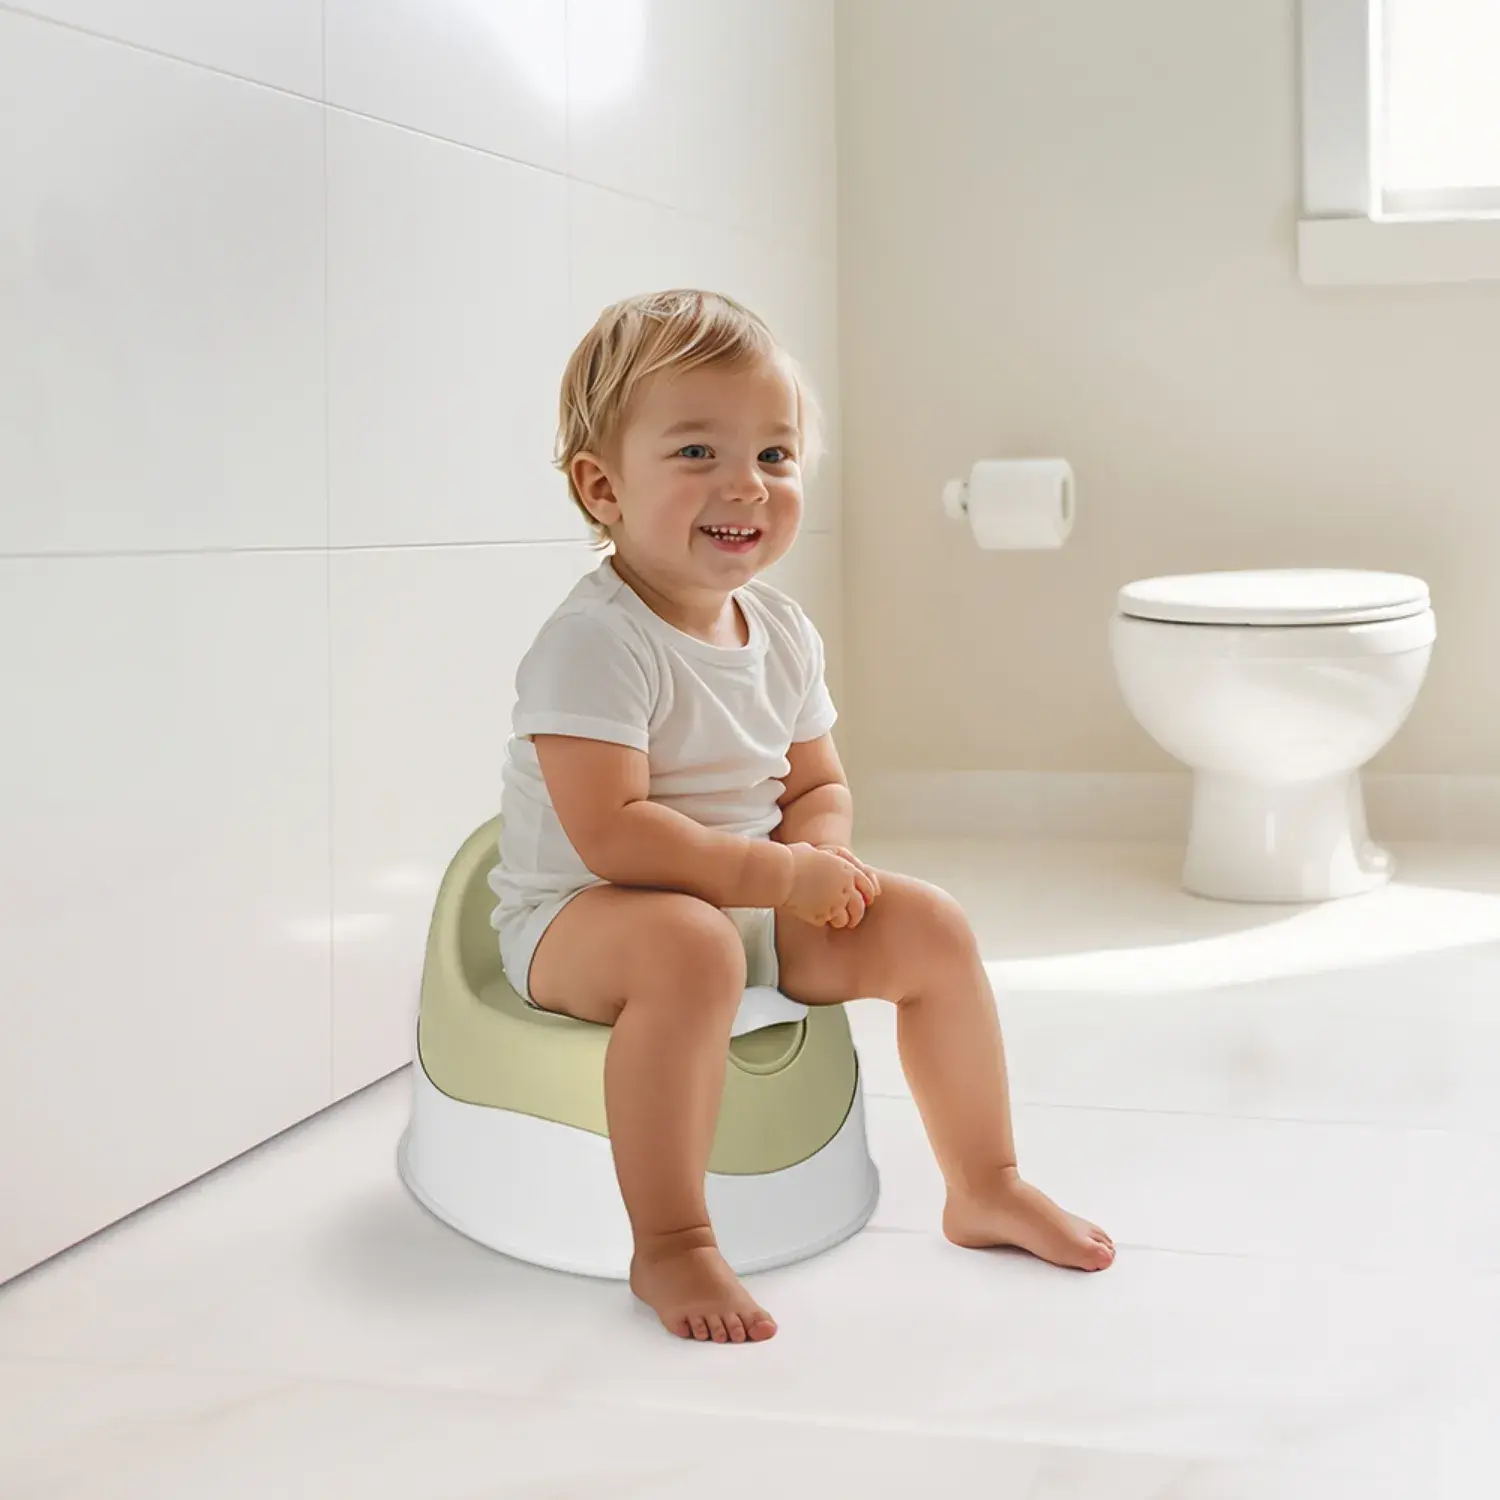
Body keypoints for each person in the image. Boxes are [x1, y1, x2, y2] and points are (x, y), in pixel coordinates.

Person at [489, 290, 1114, 1345]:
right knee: (688, 946)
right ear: (603, 487)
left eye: (774, 456)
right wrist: (781, 878)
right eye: (698, 452)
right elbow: (615, 834)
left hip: (740, 905)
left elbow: (816, 786)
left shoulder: (780, 631)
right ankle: (672, 1240)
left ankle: (986, 1184)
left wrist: (824, 858)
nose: (746, 484)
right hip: (584, 918)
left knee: (931, 926)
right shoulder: (596, 642)